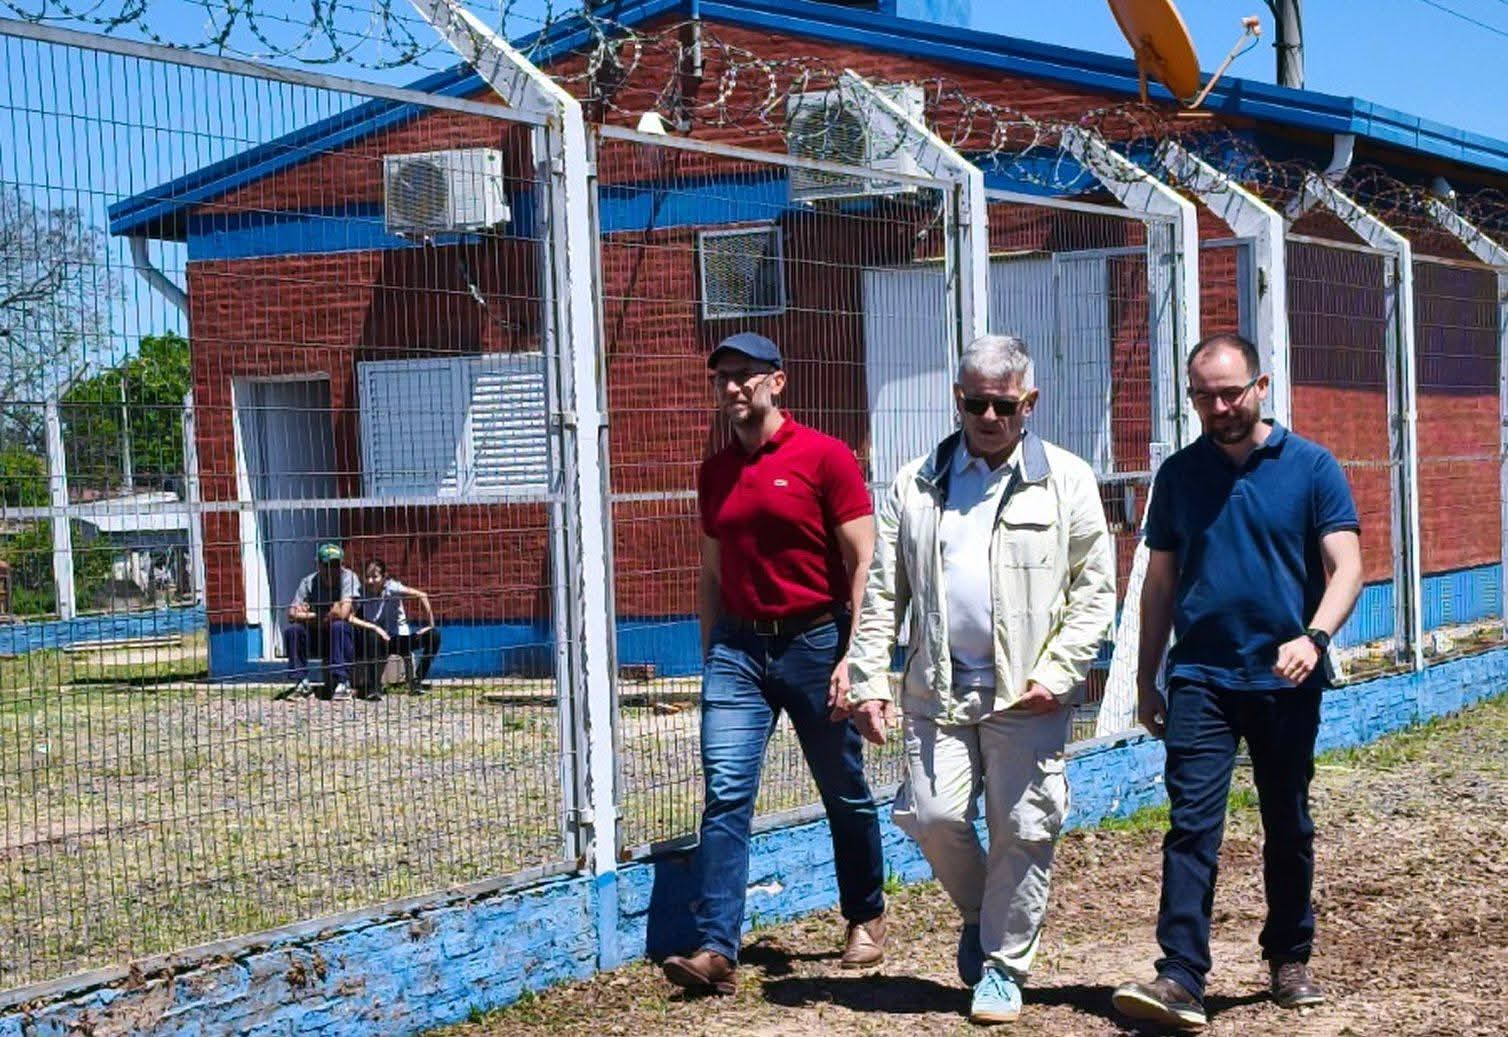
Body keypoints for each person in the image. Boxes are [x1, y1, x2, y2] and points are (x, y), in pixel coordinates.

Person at [842, 334, 1116, 1025]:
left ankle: (1002, 965)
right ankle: (980, 915)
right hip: (937, 688)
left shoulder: (1068, 479)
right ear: (957, 399)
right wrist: (870, 678)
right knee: (931, 815)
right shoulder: (917, 482)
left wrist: (1061, 670)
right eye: (975, 402)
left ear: (1030, 402)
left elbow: (1094, 589)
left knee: (1023, 826)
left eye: (1003, 403)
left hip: (1028, 691)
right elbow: (882, 592)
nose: (989, 416)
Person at [1111, 332, 1363, 1031]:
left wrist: (1314, 637)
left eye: (1230, 391)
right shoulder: (1180, 474)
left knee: (1287, 819)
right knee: (1192, 824)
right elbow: (1159, 582)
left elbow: (1347, 567)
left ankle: (1288, 956)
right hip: (1201, 675)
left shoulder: (1311, 467)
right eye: (1204, 395)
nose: (1219, 406)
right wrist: (1146, 675)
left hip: (1286, 675)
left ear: (1261, 385)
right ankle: (1180, 975)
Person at [660, 332, 888, 996]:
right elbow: (710, 571)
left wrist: (855, 656)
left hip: (815, 642)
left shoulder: (825, 457)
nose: (731, 387)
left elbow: (864, 561)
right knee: (726, 793)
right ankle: (716, 949)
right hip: (737, 648)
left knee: (841, 787)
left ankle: (865, 915)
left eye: (744, 376)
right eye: (721, 377)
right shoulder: (714, 471)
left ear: (777, 382)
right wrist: (711, 654)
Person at [277, 542, 360, 701]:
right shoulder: (308, 582)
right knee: (293, 630)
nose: (331, 570)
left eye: (336, 565)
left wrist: (308, 614)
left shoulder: (349, 577)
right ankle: (302, 683)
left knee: (339, 626)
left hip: (343, 638)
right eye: (326, 565)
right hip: (316, 635)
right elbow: (292, 614)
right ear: (318, 565)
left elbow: (343, 614)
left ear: (342, 564)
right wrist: (322, 614)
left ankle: (342, 683)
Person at [352, 558, 440, 698]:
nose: (370, 581)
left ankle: (417, 679)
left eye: (374, 577)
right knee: (371, 637)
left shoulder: (392, 587)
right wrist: (375, 628)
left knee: (434, 635)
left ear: (384, 576)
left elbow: (421, 595)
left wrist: (430, 625)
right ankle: (374, 688)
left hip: (398, 638)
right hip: (378, 640)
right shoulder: (361, 592)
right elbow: (350, 617)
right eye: (367, 576)